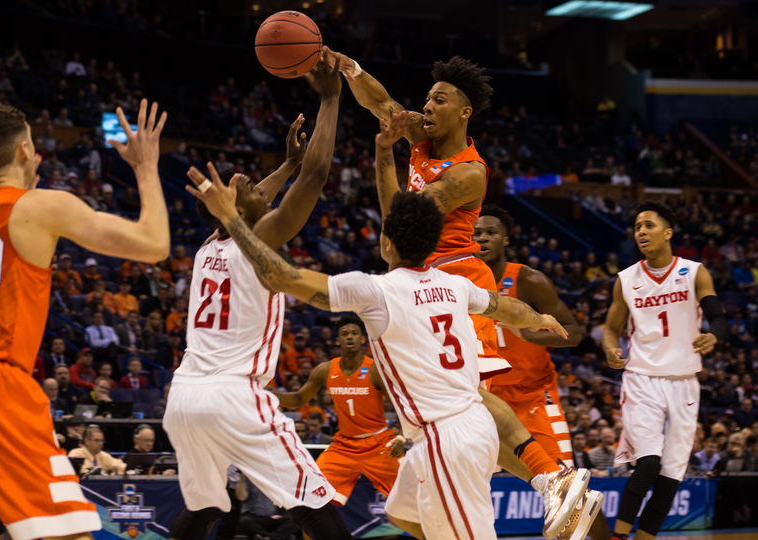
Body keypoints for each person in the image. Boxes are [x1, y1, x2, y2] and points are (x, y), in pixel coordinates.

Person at [189, 167, 572, 540]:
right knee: (400, 512)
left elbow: (281, 277)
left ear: (386, 243)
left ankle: (551, 479)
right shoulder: (455, 285)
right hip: (457, 426)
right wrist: (539, 318)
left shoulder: (378, 291)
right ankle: (542, 476)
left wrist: (230, 220)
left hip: (447, 440)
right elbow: (506, 308)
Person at [326, 46, 588, 537]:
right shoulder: (419, 139)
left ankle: (553, 477)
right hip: (420, 278)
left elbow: (402, 218)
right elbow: (380, 104)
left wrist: (384, 157)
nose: (427, 106)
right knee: (405, 515)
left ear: (463, 112)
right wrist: (351, 70)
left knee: (466, 397)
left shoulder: (469, 172)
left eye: (439, 100)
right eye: (426, 97)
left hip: (457, 277)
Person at [0, 104, 164, 540]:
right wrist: (145, 167)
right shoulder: (40, 206)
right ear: (26, 150)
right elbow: (154, 244)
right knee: (71, 532)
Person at [163, 53, 356, 540]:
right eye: (238, 183)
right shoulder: (260, 240)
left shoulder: (212, 244)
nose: (246, 179)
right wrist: (331, 99)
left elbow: (248, 209)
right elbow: (312, 182)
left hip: (184, 396)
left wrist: (287, 163)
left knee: (204, 506)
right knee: (313, 501)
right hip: (233, 394)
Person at [474, 204, 607, 540]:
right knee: (472, 475)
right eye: (476, 233)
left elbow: (573, 331)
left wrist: (528, 332)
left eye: (491, 231)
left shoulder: (528, 279)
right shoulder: (465, 279)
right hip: (489, 398)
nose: (482, 238)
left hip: (534, 396)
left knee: (566, 482)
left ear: (506, 237)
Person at [602, 201, 728, 540]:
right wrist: (609, 347)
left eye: (649, 225)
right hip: (642, 379)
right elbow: (610, 328)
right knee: (649, 465)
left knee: (671, 478)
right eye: (637, 226)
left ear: (668, 232)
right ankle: (618, 537)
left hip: (685, 384)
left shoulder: (694, 271)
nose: (641, 231)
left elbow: (717, 315)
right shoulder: (626, 279)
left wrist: (714, 334)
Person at [275, 314, 404, 507]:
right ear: (338, 340)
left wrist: (401, 437)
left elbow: (401, 407)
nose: (349, 337)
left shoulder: (376, 369)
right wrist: (265, 394)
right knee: (311, 501)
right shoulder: (325, 370)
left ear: (362, 339)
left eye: (354, 333)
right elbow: (297, 399)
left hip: (379, 444)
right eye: (344, 334)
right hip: (344, 446)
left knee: (412, 500)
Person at [236, 472, 302, 540]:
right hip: (253, 517)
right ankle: (272, 537)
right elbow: (241, 497)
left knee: (296, 521)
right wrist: (242, 476)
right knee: (244, 521)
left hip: (272, 517)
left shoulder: (275, 477)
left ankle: (268, 538)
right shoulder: (247, 477)